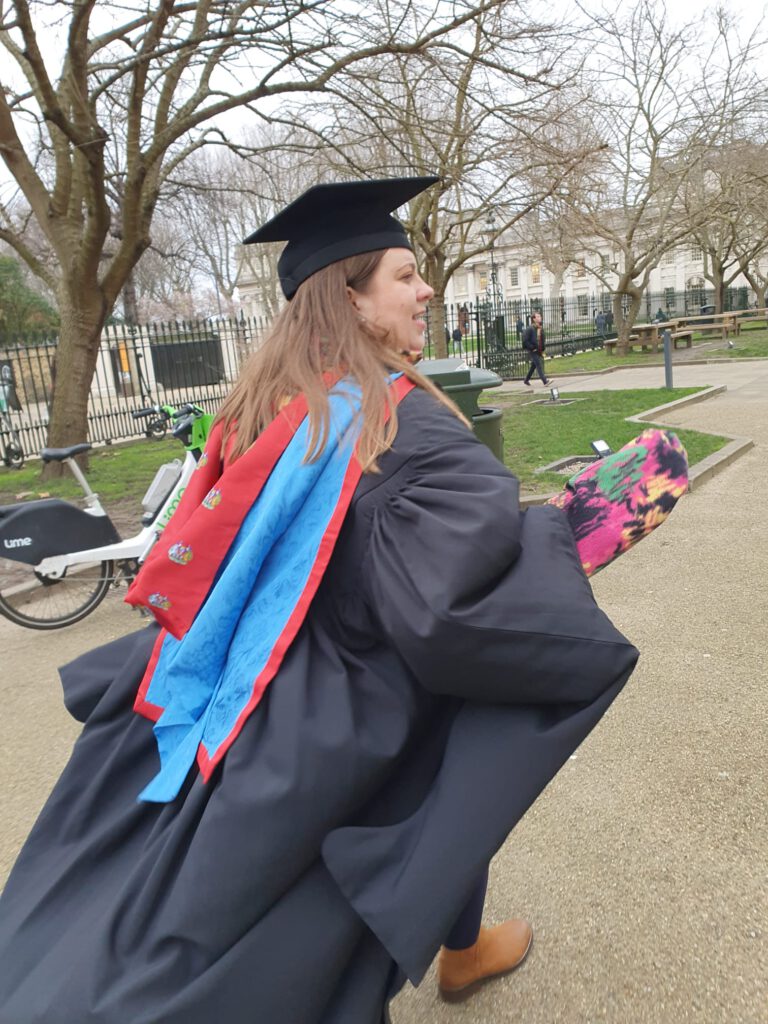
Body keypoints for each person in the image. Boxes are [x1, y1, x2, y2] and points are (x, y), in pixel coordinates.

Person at [0, 176, 640, 1024]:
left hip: (240, 682)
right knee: (427, 782)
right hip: (334, 707)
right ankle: (454, 949)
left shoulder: (260, 406)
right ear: (350, 295)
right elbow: (449, 615)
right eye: (405, 275)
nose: (427, 290)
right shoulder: (402, 425)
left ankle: (461, 948)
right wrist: (559, 537)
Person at [522, 309, 549, 386]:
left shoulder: (539, 328)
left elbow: (541, 339)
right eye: (538, 316)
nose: (540, 317)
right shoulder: (530, 329)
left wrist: (542, 348)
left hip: (538, 350)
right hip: (533, 350)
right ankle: (545, 381)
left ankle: (526, 380)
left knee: (533, 366)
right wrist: (532, 348)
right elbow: (525, 341)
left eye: (540, 316)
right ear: (534, 319)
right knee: (538, 365)